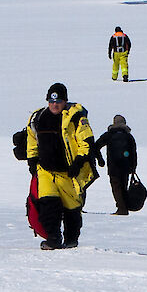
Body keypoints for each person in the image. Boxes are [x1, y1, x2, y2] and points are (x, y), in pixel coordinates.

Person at [27, 82, 96, 249]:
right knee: (47, 205)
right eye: (51, 101)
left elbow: (86, 141)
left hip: (68, 172)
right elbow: (31, 139)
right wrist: (32, 160)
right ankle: (53, 238)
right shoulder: (38, 118)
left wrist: (79, 163)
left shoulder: (76, 117)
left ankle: (71, 239)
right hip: (45, 171)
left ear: (65, 101)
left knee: (72, 209)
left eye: (58, 101)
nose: (54, 105)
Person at [95, 115, 138, 215]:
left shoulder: (109, 134)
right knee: (123, 186)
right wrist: (133, 167)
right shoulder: (129, 136)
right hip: (126, 166)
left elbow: (96, 146)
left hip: (113, 166)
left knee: (116, 188)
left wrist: (100, 160)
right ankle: (123, 208)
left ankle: (122, 209)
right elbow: (133, 153)